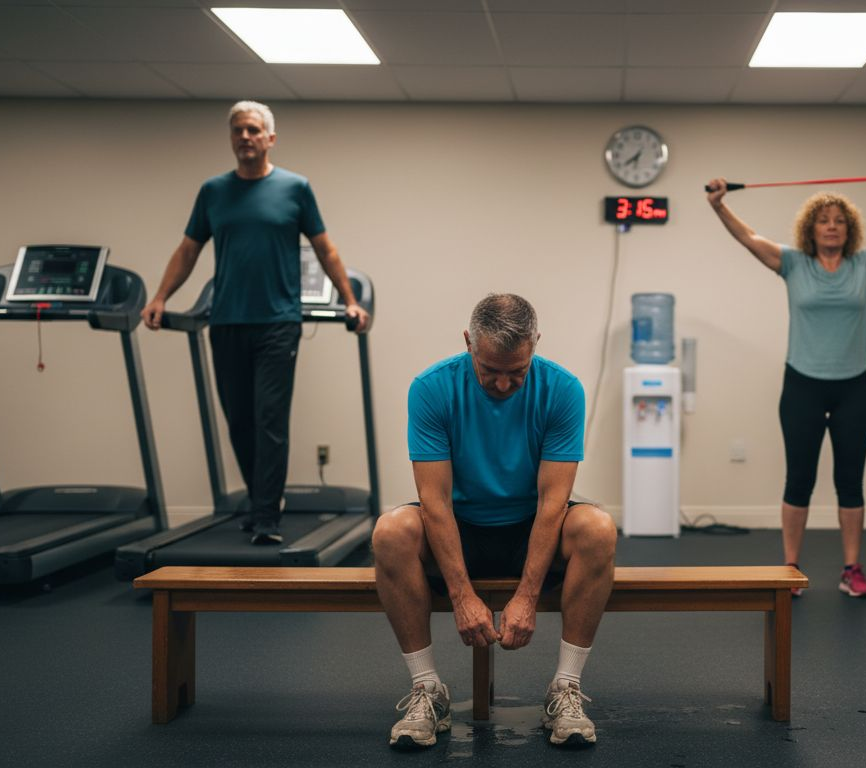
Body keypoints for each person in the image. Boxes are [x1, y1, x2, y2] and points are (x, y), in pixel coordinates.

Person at [373, 293, 617, 749]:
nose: (503, 384)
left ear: (535, 344)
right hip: (459, 527)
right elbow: (434, 502)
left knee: (598, 528)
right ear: (468, 342)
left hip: (531, 527)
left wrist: (526, 596)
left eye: (516, 372)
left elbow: (552, 503)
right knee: (390, 531)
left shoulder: (563, 389)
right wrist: (462, 596)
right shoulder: (431, 388)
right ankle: (427, 689)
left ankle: (566, 688)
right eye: (489, 370)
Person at [705, 165, 866, 598]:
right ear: (811, 228)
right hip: (802, 385)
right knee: (798, 479)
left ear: (849, 228)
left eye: (839, 220)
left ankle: (851, 569)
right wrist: (719, 205)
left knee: (850, 481)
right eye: (824, 220)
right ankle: (790, 569)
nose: (832, 226)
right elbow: (749, 237)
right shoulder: (792, 263)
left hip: (854, 387)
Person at [141, 100, 369, 545]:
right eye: (238, 130)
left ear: (270, 138)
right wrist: (161, 297)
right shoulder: (213, 192)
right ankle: (261, 499)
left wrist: (349, 301)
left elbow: (325, 249)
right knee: (239, 422)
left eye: (253, 129)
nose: (245, 137)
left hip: (277, 322)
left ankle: (266, 515)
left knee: (269, 420)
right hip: (226, 320)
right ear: (231, 138)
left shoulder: (295, 188)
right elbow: (188, 250)